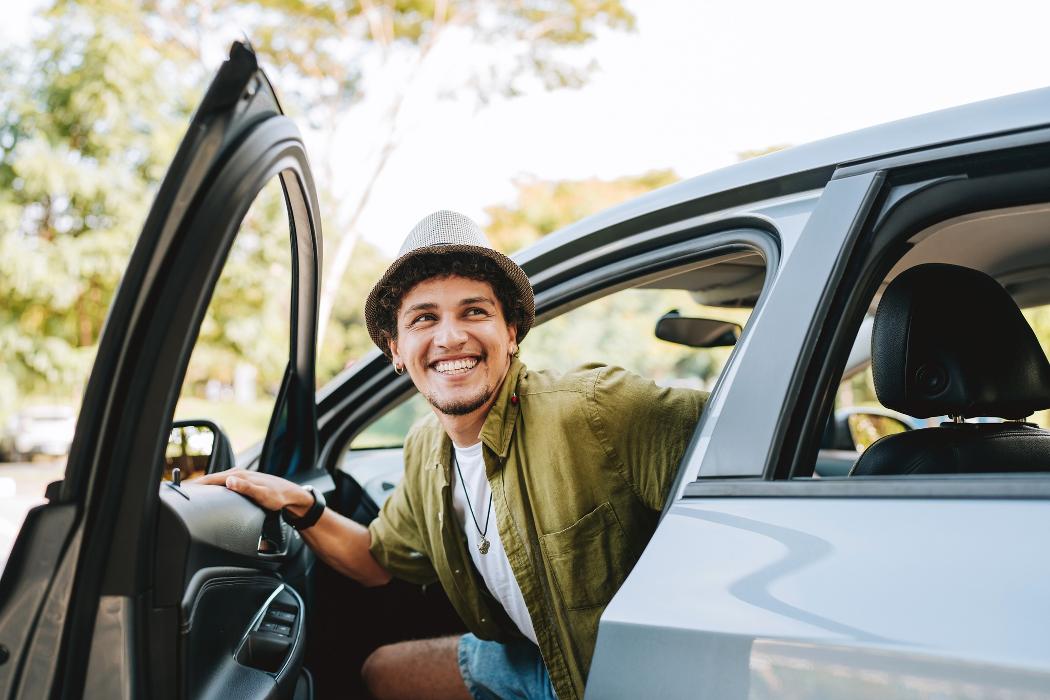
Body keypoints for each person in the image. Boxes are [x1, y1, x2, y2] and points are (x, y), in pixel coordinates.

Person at [200, 210, 706, 700]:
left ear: (510, 332)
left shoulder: (598, 408)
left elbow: (742, 437)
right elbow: (377, 561)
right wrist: (296, 502)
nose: (450, 337)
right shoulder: (426, 447)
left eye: (474, 311)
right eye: (424, 318)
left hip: (622, 679)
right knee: (381, 673)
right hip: (535, 658)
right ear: (396, 350)